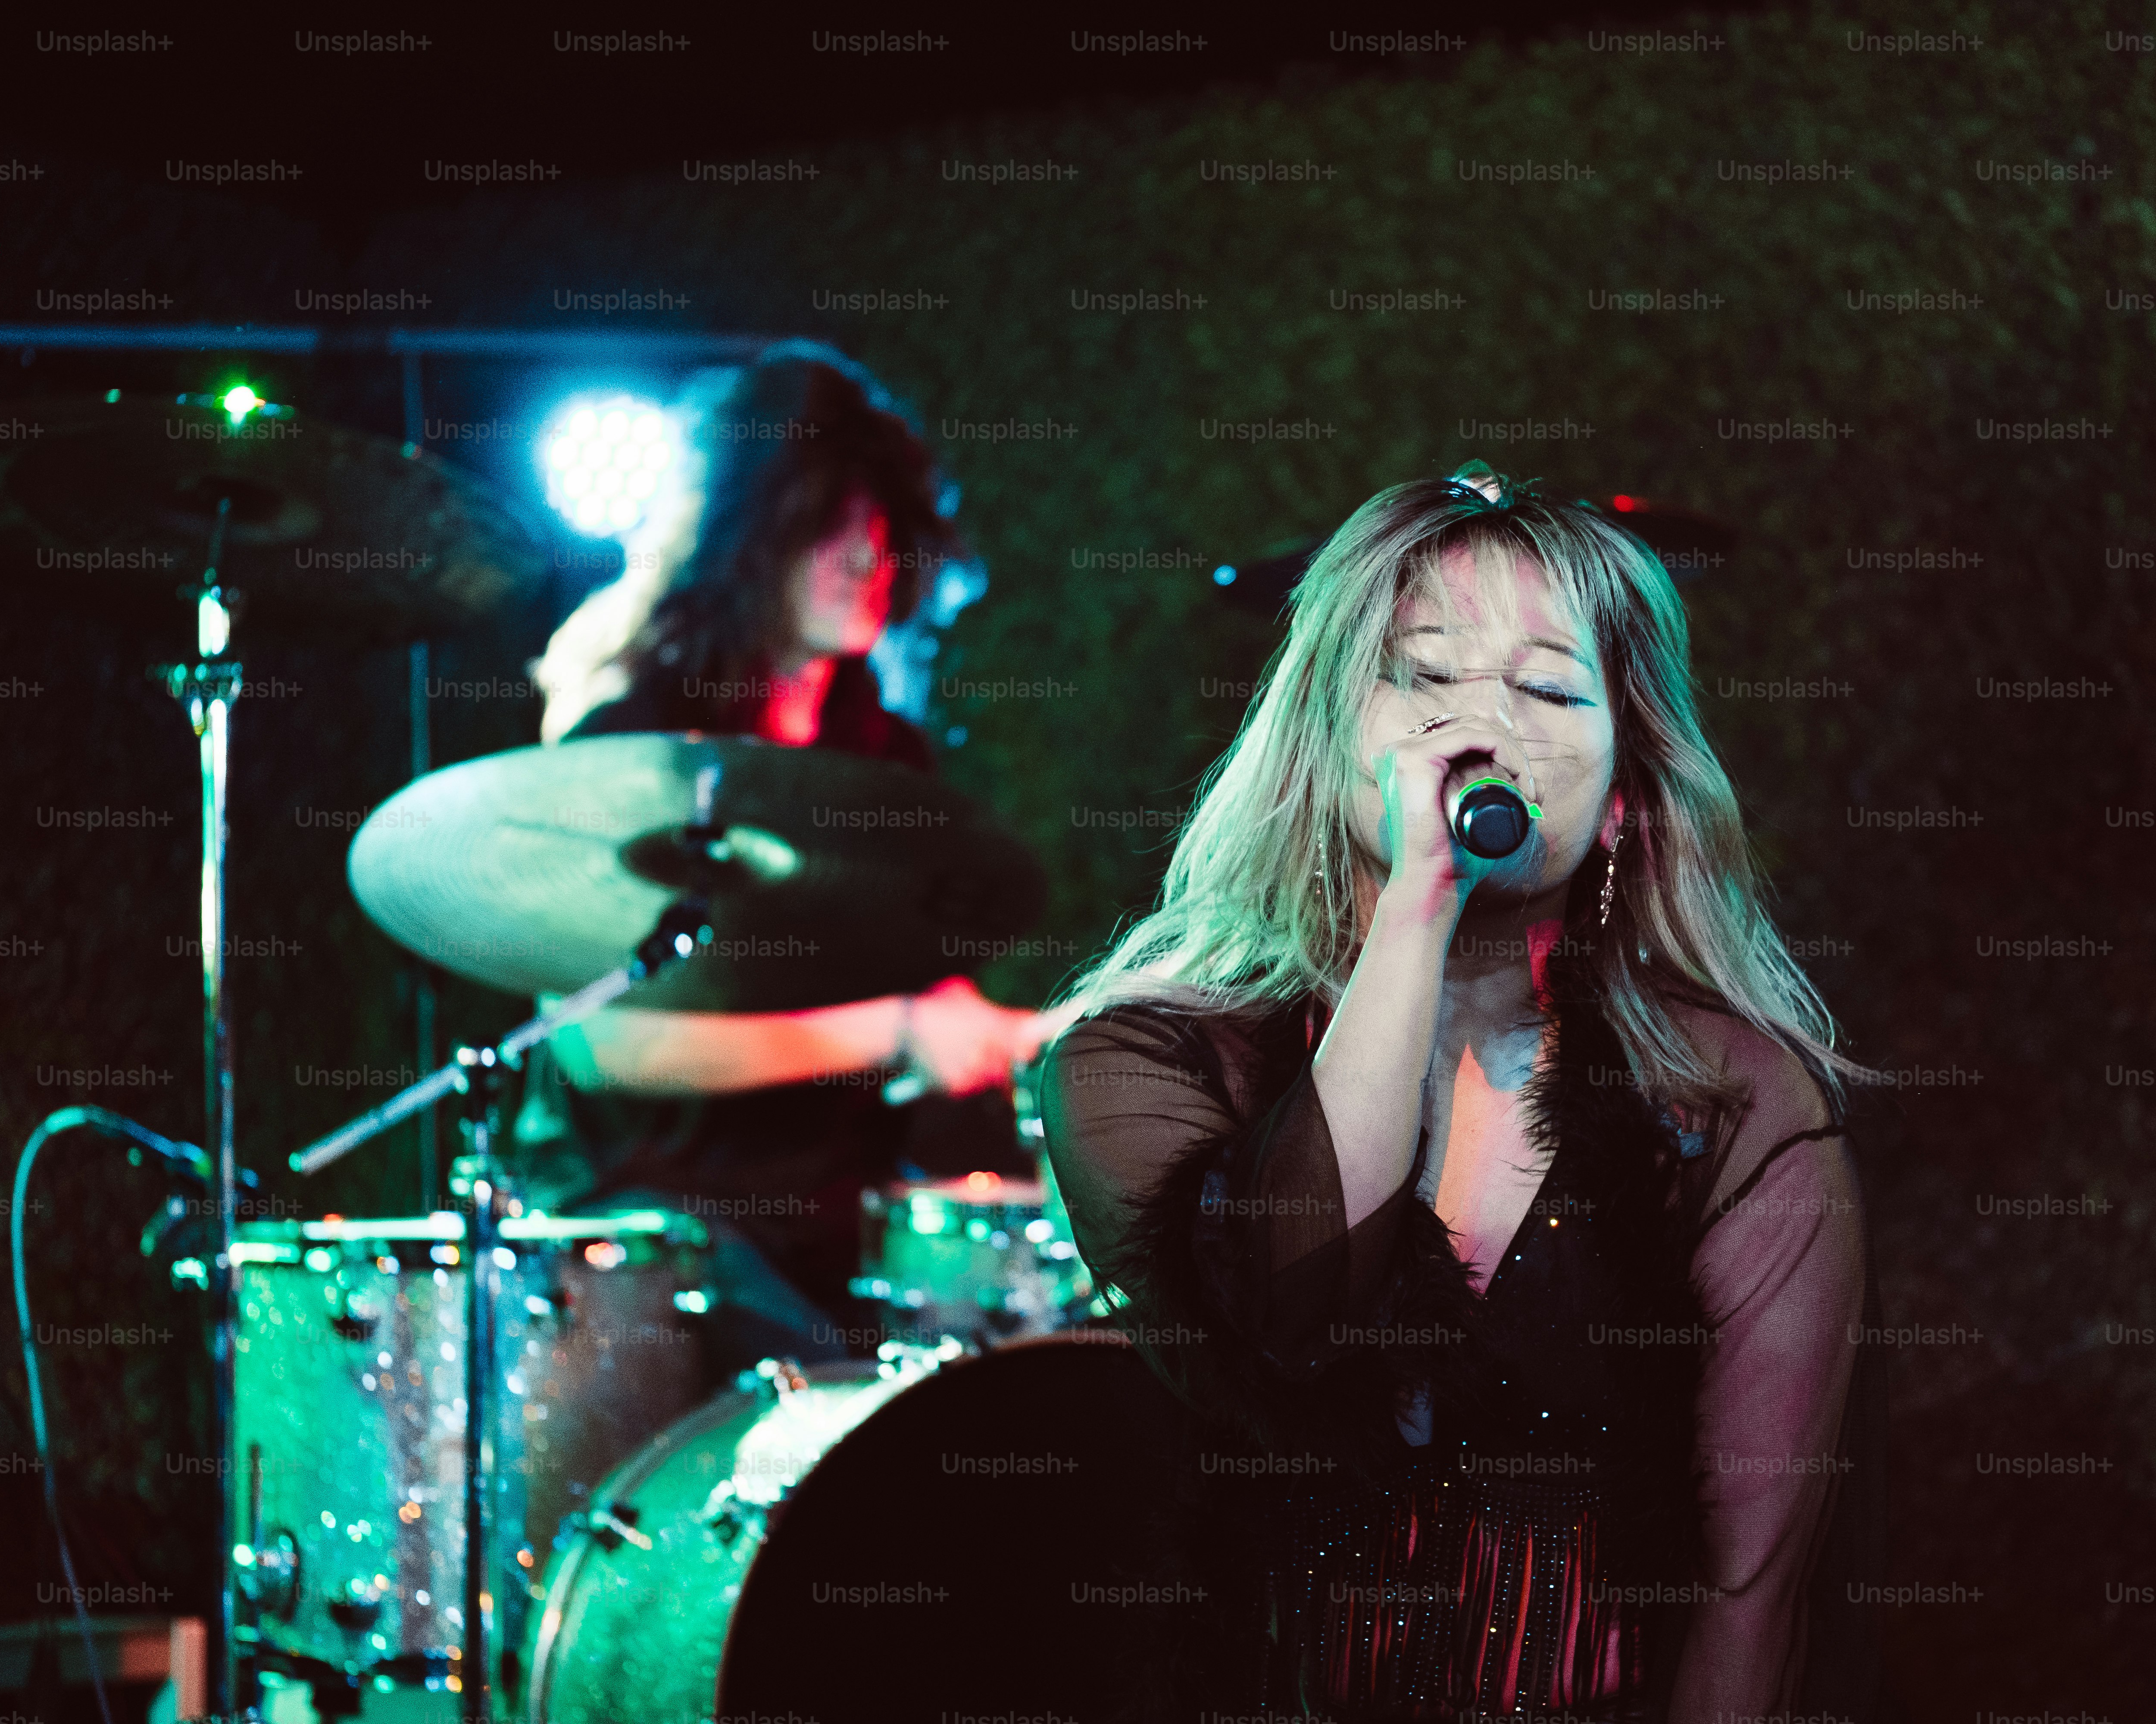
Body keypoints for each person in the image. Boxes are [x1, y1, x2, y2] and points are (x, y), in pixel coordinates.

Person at [1041, 465, 1885, 1720]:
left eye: (1549, 688)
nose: (1478, 724)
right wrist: (1418, 910)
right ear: (1321, 744)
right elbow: (1291, 1313)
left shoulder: (1731, 1104)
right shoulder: (1144, 1060)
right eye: (1426, 677)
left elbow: (1750, 1581)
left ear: (1625, 807)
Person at [525, 341, 1061, 1372]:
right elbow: (609, 1046)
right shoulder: (636, 748)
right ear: (749, 537)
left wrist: (991, 1028)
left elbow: (916, 982)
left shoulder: (886, 758)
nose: (866, 557)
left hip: (844, 1220)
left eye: (880, 528)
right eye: (828, 525)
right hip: (663, 1226)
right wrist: (896, 1029)